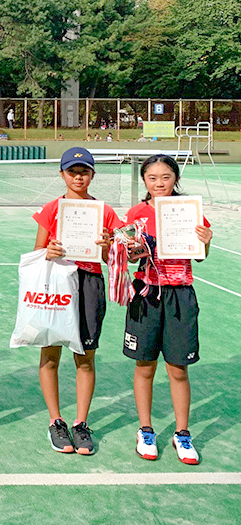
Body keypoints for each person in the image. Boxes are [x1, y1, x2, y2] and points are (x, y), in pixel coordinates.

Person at [33, 147, 122, 455]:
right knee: (51, 354)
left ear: (92, 175)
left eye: (84, 171)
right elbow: (38, 252)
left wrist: (108, 246)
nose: (78, 177)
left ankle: (81, 423)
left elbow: (115, 258)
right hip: (58, 282)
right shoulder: (51, 209)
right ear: (62, 175)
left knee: (85, 357)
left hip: (90, 285)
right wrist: (50, 252)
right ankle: (55, 421)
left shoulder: (104, 212)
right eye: (72, 171)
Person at [122, 154, 211, 465]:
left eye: (166, 177)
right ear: (144, 180)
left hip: (180, 297)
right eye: (152, 178)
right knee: (145, 366)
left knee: (178, 369)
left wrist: (206, 240)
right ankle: (145, 429)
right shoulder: (136, 213)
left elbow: (200, 257)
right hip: (146, 295)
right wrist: (131, 251)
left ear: (175, 179)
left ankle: (181, 433)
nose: (159, 183)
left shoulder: (189, 211)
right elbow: (130, 258)